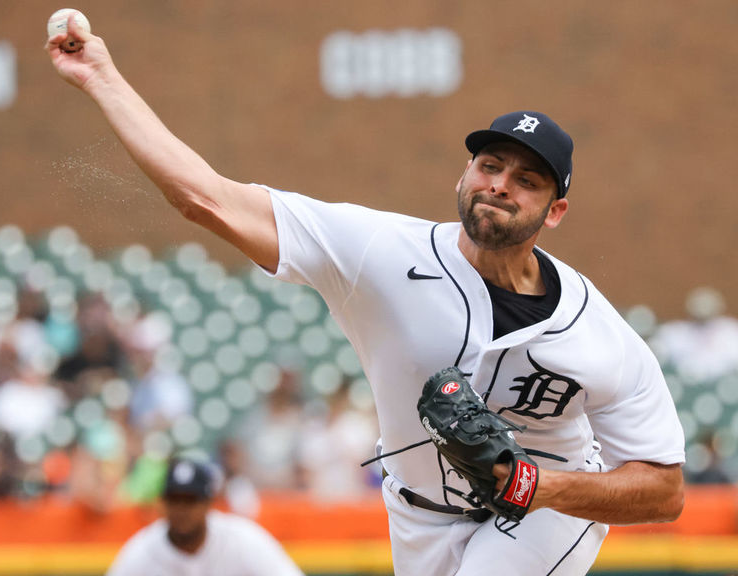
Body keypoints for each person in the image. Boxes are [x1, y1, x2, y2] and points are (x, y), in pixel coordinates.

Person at [47, 19, 685, 576]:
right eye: (489, 165)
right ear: (462, 175)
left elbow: (664, 490)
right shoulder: (380, 251)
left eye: (527, 179)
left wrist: (541, 485)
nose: (499, 185)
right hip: (417, 517)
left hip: (549, 512)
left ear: (556, 211)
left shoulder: (595, 331)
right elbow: (205, 198)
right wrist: (101, 77)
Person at [105, 457, 304, 576]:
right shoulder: (142, 551)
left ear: (208, 503)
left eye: (191, 500)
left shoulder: (241, 539)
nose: (182, 509)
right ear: (162, 503)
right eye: (175, 500)